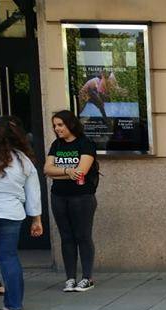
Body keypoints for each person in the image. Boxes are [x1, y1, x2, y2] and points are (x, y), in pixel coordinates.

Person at [43, 110, 98, 292]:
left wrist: (59, 172)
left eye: (60, 125)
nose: (57, 129)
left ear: (70, 124)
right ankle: (70, 278)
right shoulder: (56, 145)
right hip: (58, 196)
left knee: (83, 235)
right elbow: (47, 169)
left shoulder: (85, 144)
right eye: (55, 126)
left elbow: (81, 172)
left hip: (82, 196)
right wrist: (67, 172)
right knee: (66, 237)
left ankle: (87, 277)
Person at [0, 116, 43, 310]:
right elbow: (34, 193)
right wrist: (36, 219)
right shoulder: (24, 161)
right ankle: (14, 304)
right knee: (9, 258)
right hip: (12, 213)